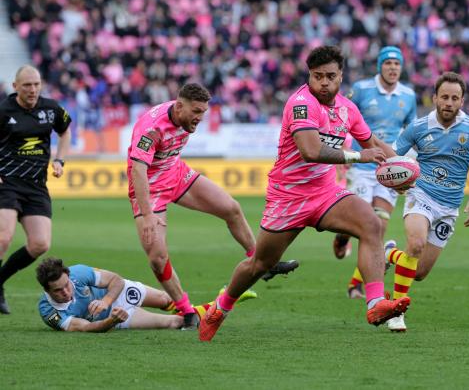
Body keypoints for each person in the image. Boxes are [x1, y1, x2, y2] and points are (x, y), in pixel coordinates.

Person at [199, 46, 411, 342]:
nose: (324, 82)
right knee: (260, 264)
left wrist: (402, 169)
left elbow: (372, 140)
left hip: (325, 193)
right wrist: (358, 157)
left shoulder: (348, 109)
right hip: (288, 197)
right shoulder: (301, 103)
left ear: (341, 77)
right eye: (317, 76)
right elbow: (310, 151)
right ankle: (220, 309)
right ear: (309, 76)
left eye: (330, 76)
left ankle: (375, 304)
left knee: (371, 224)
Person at [127, 83, 297, 329]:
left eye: (203, 112)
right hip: (148, 189)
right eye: (196, 112)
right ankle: (186, 312)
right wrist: (147, 213)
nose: (199, 118)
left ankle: (261, 262)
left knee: (231, 208)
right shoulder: (151, 128)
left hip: (174, 174)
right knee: (157, 257)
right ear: (179, 106)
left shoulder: (185, 120)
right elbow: (138, 170)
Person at [383, 72, 469, 332]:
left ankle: (388, 253)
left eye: (454, 98)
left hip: (449, 208)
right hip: (420, 195)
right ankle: (397, 311)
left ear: (462, 101)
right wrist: (397, 179)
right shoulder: (418, 127)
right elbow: (392, 157)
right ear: (434, 97)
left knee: (419, 272)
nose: (448, 102)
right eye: (444, 96)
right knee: (415, 244)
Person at [332, 45, 417, 299]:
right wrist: (342, 153)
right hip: (361, 164)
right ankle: (342, 236)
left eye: (397, 64)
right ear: (380, 65)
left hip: (388, 168)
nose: (393, 68)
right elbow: (340, 118)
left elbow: (410, 131)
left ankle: (356, 284)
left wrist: (409, 163)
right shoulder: (360, 90)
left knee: (378, 226)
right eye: (388, 63)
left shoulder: (408, 96)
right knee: (358, 222)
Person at [0, 65, 71, 315]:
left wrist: (60, 160)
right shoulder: (3, 110)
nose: (32, 89)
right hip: (6, 183)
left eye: (36, 84)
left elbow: (65, 132)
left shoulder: (50, 109)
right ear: (15, 87)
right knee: (3, 237)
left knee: (40, 244)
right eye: (27, 85)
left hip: (36, 186)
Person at [36, 257, 256, 332]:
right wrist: (112, 318)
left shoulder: (78, 273)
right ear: (47, 290)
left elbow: (116, 280)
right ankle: (225, 300)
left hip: (114, 296)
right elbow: (85, 328)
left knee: (166, 299)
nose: (66, 292)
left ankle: (223, 300)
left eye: (66, 285)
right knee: (176, 322)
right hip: (115, 319)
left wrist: (106, 301)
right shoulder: (49, 312)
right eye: (58, 290)